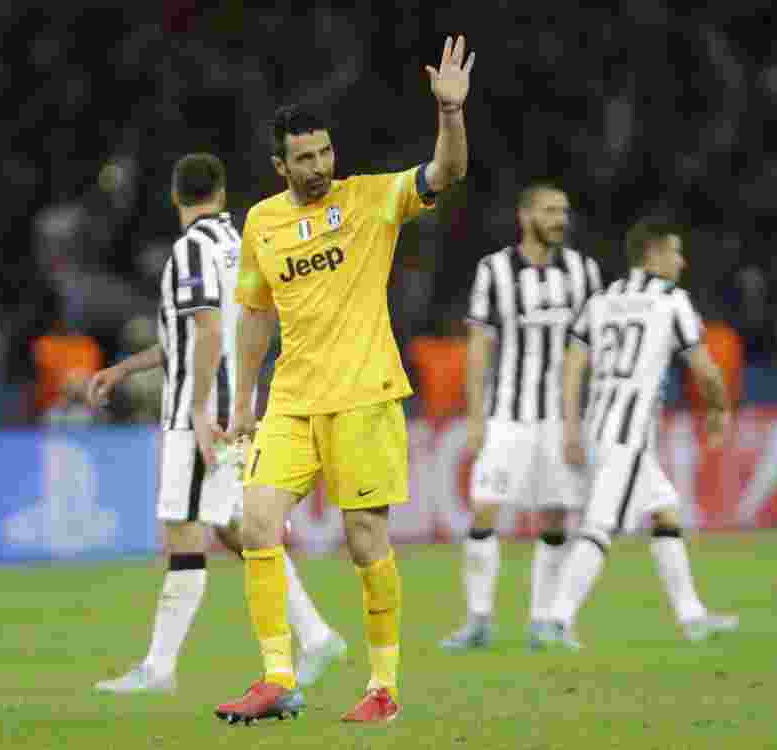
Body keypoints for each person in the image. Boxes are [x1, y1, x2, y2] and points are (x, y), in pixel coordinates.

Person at [214, 35, 474, 725]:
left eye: (325, 152)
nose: (321, 165)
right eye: (305, 157)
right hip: (293, 401)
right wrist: (243, 399)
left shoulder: (369, 200)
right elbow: (253, 316)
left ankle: (383, 687)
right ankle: (277, 677)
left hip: (363, 395)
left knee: (365, 542)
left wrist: (450, 115)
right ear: (280, 165)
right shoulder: (263, 223)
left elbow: (445, 174)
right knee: (256, 523)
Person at [89, 153, 344, 695]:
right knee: (237, 528)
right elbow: (204, 332)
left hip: (197, 414)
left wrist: (202, 410)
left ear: (174, 196)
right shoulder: (239, 244)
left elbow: (205, 331)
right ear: (222, 194)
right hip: (236, 405)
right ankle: (317, 636)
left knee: (183, 534)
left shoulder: (188, 251)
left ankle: (159, 669)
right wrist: (124, 368)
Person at [541, 218, 740, 648]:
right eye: (675, 252)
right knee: (599, 526)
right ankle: (555, 620)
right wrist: (720, 410)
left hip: (598, 424)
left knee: (665, 510)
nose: (682, 261)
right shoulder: (672, 300)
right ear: (653, 255)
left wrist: (571, 425)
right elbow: (704, 370)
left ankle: (693, 618)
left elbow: (572, 363)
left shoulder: (601, 299)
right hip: (628, 433)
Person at [438, 181, 603, 652]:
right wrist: (474, 418)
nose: (559, 219)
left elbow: (590, 347)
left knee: (555, 518)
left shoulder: (583, 271)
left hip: (561, 417)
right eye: (550, 211)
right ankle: (478, 620)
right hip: (507, 415)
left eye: (563, 211)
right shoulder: (494, 271)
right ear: (525, 215)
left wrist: (580, 420)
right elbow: (478, 348)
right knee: (485, 507)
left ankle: (544, 621)